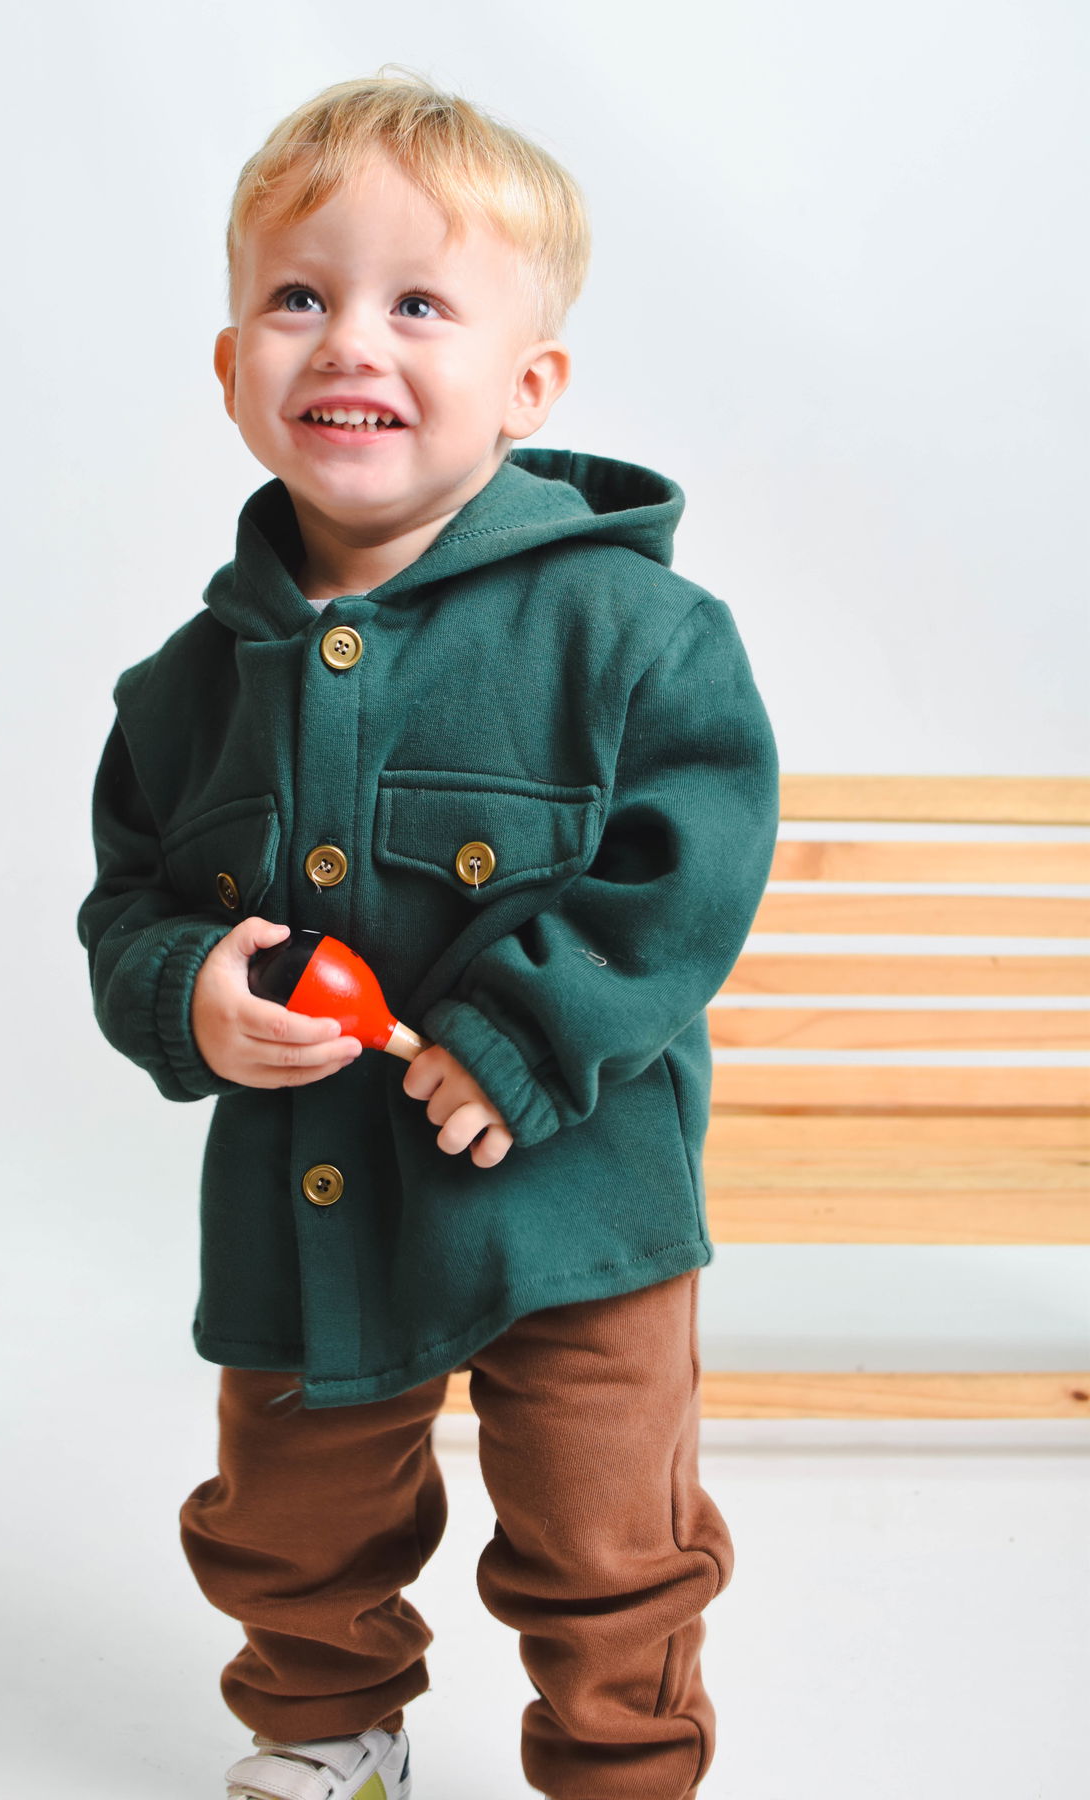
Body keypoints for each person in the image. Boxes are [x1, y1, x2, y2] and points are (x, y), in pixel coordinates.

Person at [77, 70, 779, 1800]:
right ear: (231, 366)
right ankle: (331, 1733)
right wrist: (188, 996)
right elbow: (131, 907)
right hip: (307, 1198)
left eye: (417, 304)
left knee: (606, 1532)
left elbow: (688, 865)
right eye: (297, 297)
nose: (348, 342)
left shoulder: (634, 631)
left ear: (529, 385)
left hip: (576, 1205)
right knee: (291, 1518)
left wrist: (528, 1036)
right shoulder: (180, 693)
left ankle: (623, 1765)